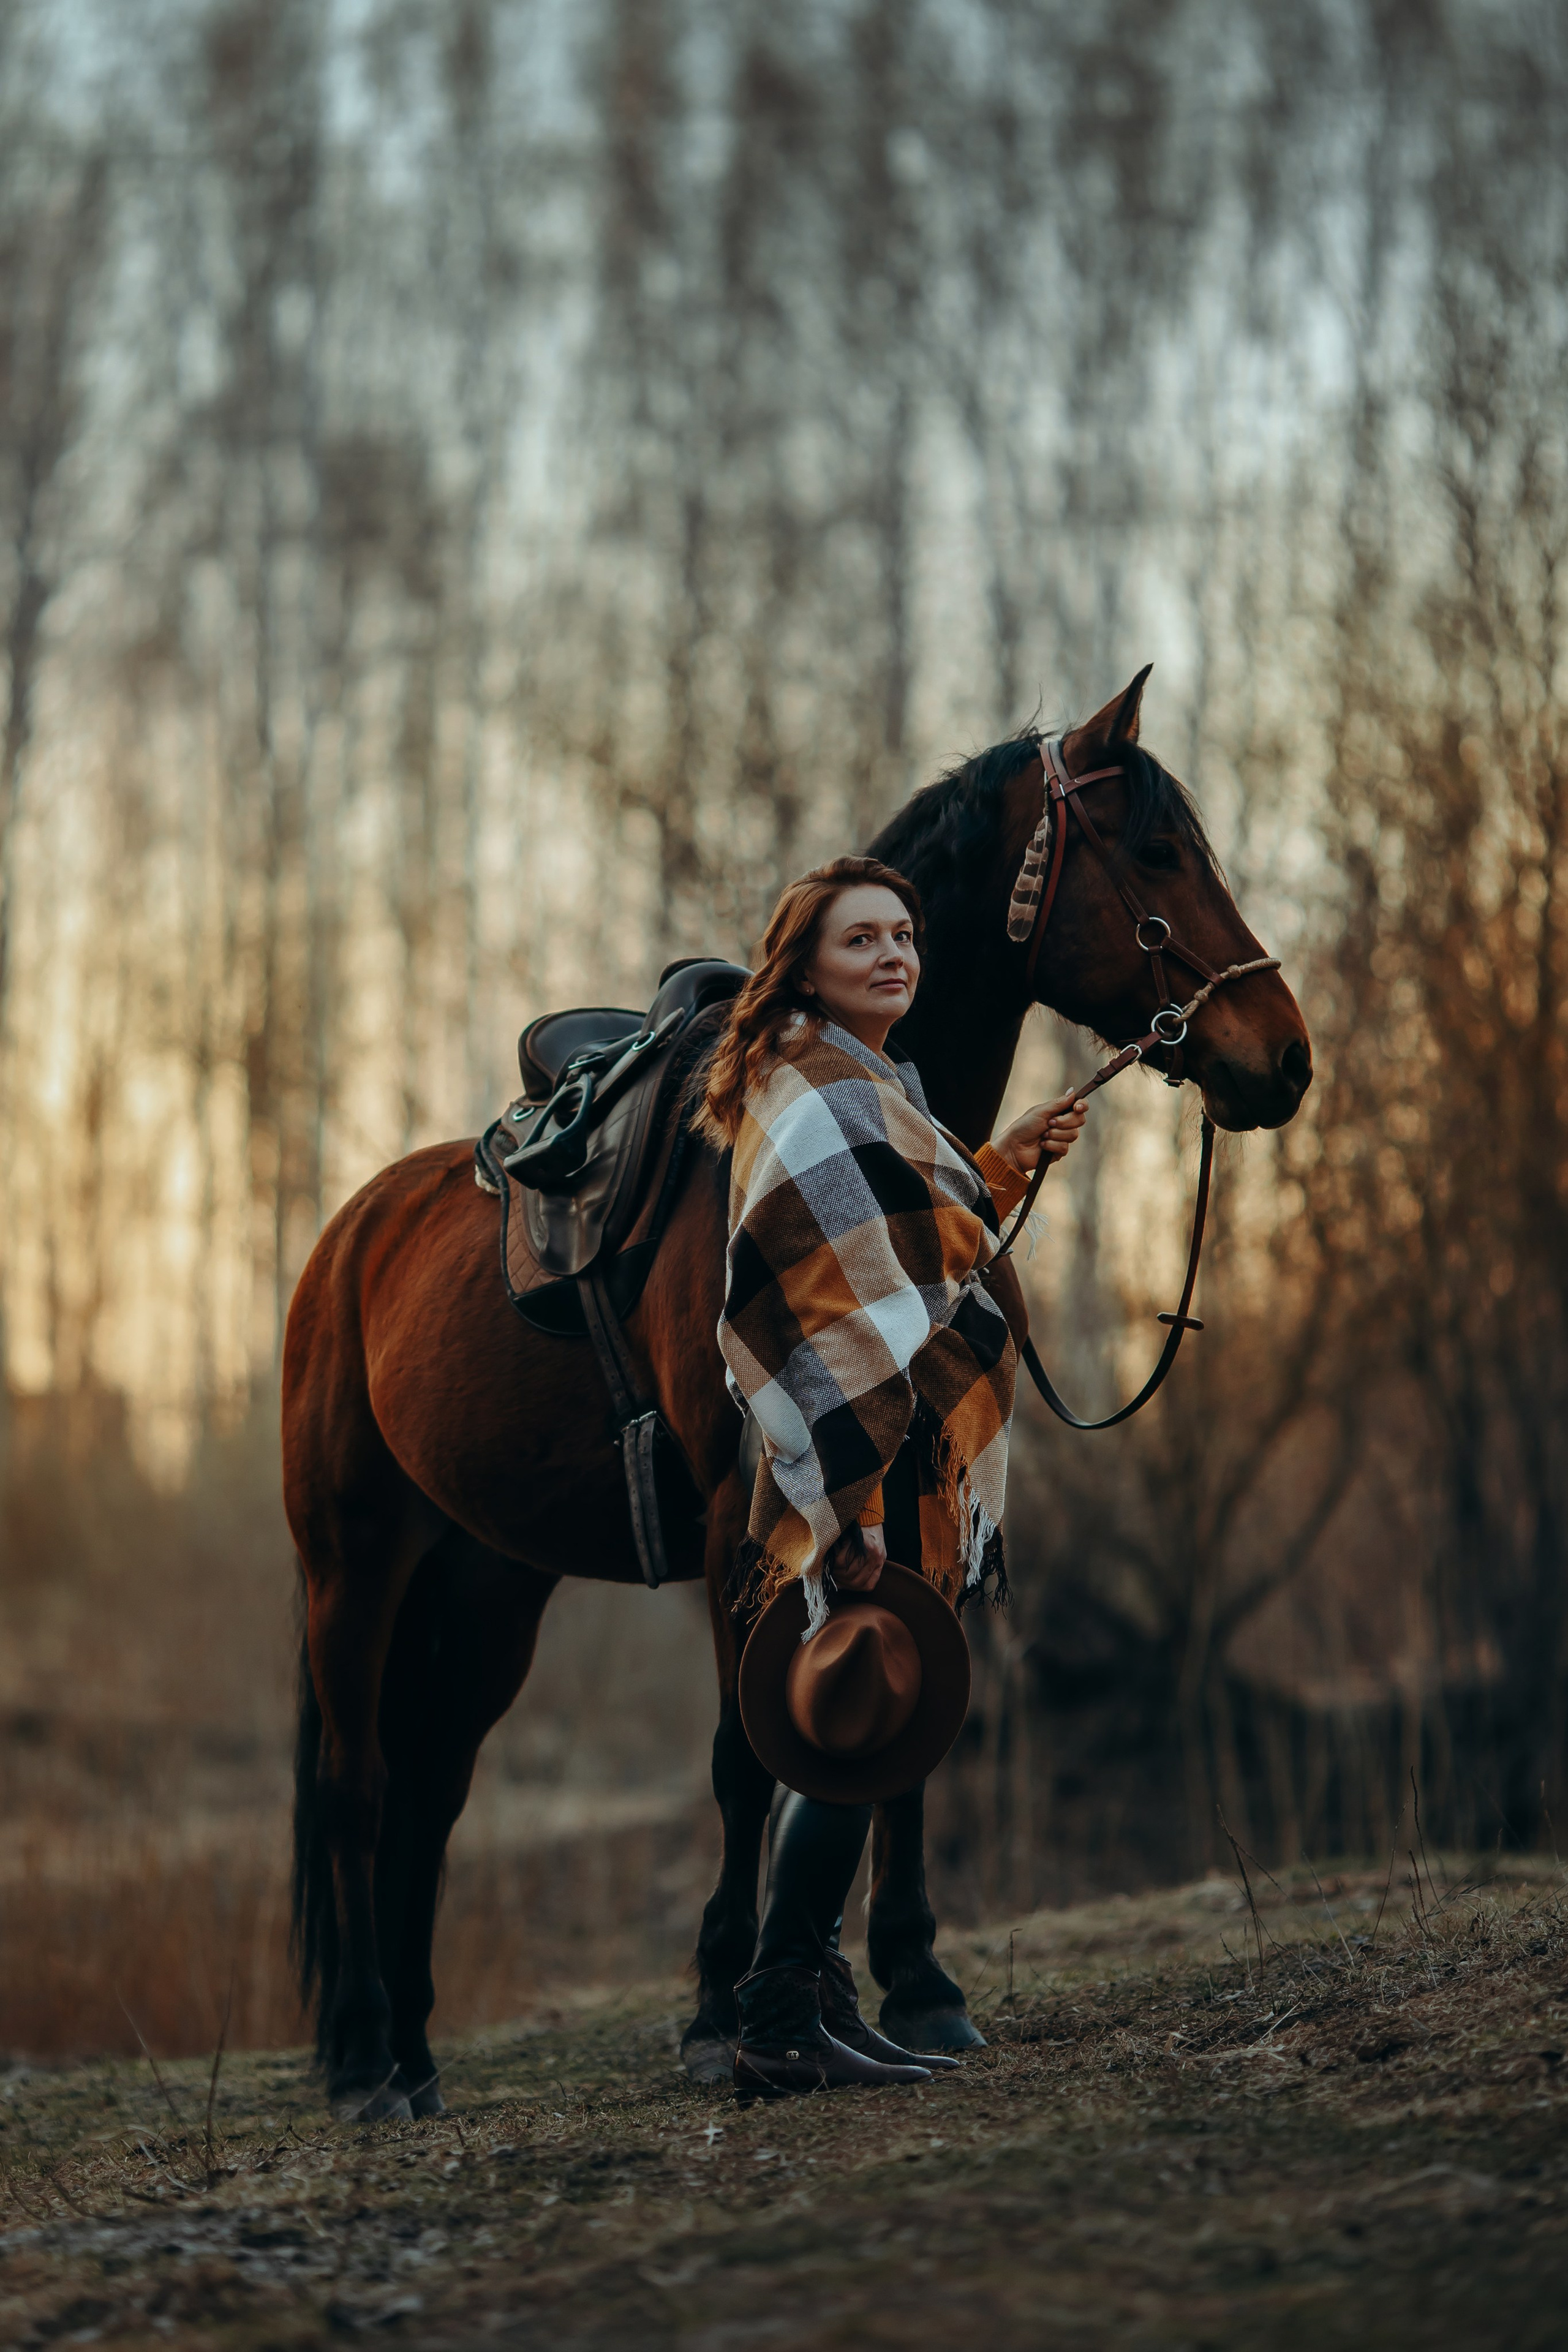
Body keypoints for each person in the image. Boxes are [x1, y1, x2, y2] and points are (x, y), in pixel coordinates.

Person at [698, 854, 1088, 2097]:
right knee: (857, 1726)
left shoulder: (865, 1084)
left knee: (875, 1722)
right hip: (859, 1470)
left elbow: (914, 1233)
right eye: (860, 938)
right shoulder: (814, 1085)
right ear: (801, 965)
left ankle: (808, 2000)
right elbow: (830, 1307)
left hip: (892, 1460)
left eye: (905, 935)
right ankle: (771, 2013)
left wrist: (1004, 1159)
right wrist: (848, 1505)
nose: (894, 954)